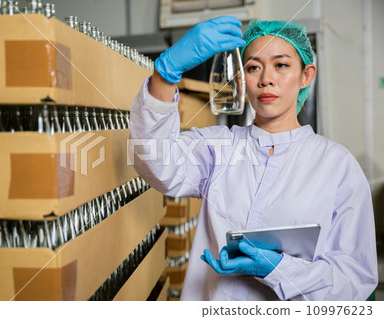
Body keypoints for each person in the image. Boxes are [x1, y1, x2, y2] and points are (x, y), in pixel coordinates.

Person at [129, 16, 378, 300]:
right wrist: (165, 75)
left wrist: (281, 270)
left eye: (281, 65)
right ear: (241, 79)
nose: (266, 79)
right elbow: (156, 161)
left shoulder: (338, 166)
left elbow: (354, 278)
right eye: (253, 67)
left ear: (306, 76)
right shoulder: (217, 147)